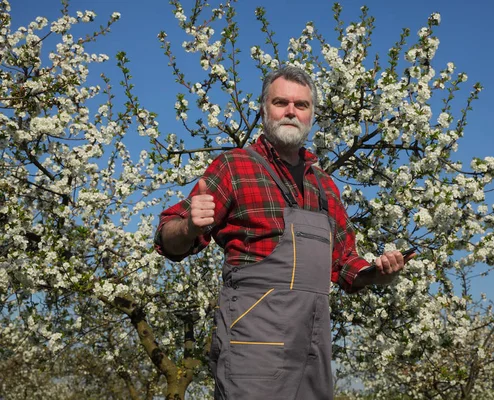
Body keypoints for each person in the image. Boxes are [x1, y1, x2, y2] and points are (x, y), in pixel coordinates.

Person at [154, 65, 413, 400]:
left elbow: (344, 265)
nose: (291, 111)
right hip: (253, 351)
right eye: (281, 102)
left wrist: (378, 272)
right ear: (264, 110)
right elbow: (168, 239)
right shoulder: (235, 167)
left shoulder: (325, 186)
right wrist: (188, 226)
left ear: (311, 116)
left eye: (301, 105)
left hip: (312, 350)